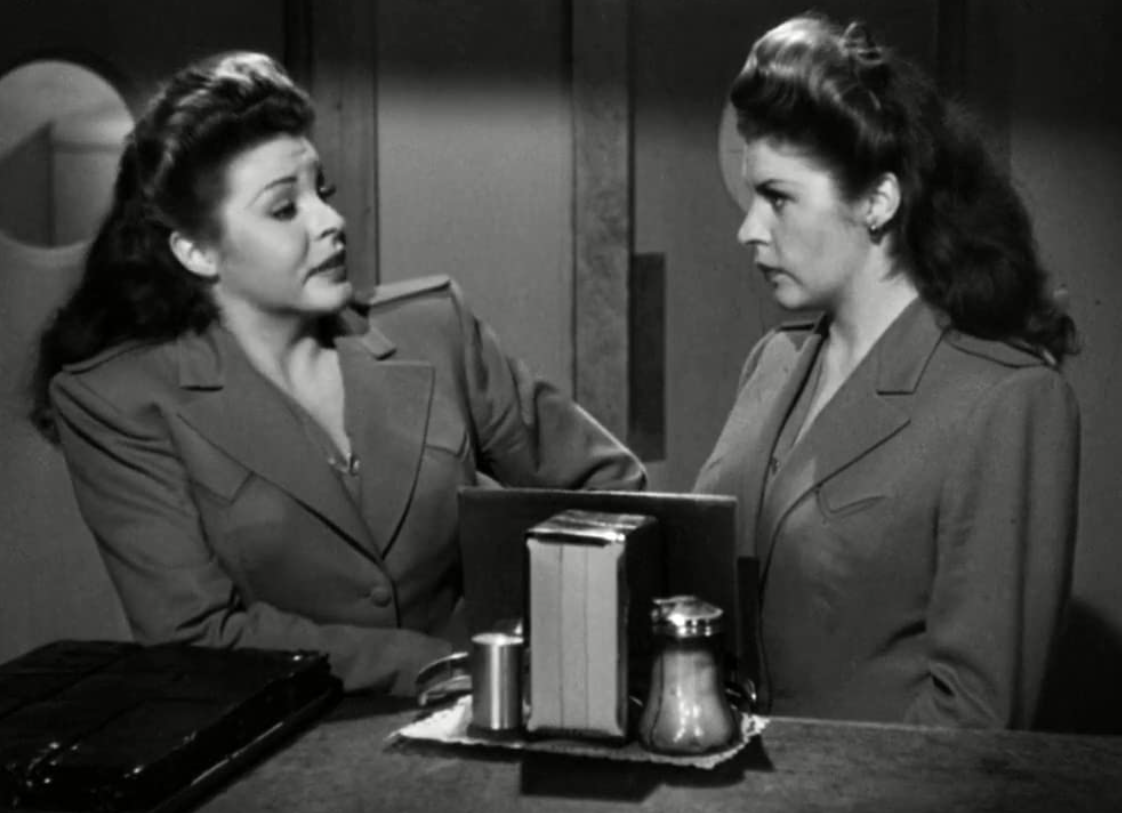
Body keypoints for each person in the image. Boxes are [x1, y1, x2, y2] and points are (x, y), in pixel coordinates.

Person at [30, 52, 645, 695]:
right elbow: (195, 636)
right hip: (286, 742)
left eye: (321, 193)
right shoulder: (115, 401)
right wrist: (445, 667)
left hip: (494, 717)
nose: (331, 222)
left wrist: (533, 653)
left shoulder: (434, 330)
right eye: (284, 209)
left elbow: (612, 493)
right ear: (197, 250)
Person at [694, 14, 1079, 728]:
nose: (749, 228)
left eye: (778, 197)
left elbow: (975, 721)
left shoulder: (1007, 400)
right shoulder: (773, 362)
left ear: (877, 200)